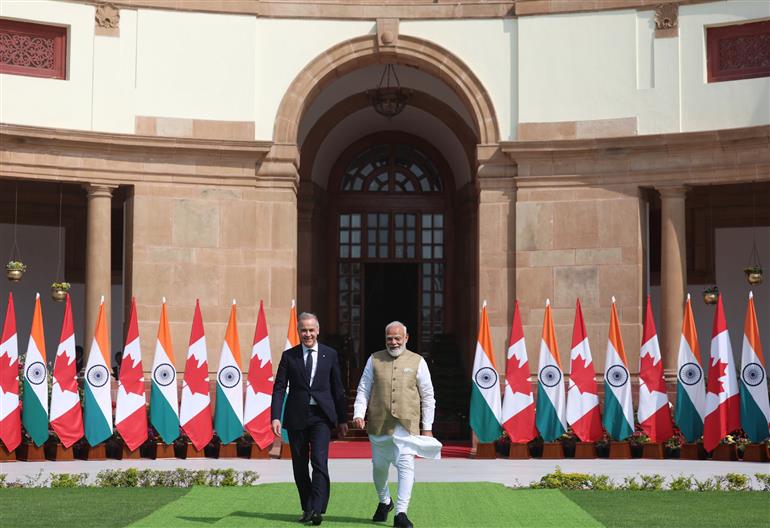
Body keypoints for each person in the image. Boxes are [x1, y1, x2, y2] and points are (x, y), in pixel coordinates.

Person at [353, 321, 440, 528]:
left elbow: (428, 395)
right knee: (379, 467)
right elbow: (364, 388)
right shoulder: (374, 359)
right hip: (379, 423)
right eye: (389, 338)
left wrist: (427, 427)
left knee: (405, 465)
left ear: (406, 338)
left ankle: (401, 512)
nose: (393, 342)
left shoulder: (418, 361)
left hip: (406, 426)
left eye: (397, 338)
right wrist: (358, 413)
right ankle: (385, 501)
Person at [271, 312, 348, 526]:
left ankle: (317, 509)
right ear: (298, 332)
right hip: (296, 416)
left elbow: (337, 388)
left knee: (319, 462)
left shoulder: (329, 354)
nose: (308, 334)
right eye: (303, 330)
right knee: (299, 464)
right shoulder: (289, 356)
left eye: (311, 330)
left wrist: (342, 419)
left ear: (318, 331)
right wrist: (275, 416)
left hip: (321, 417)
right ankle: (307, 507)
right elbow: (279, 388)